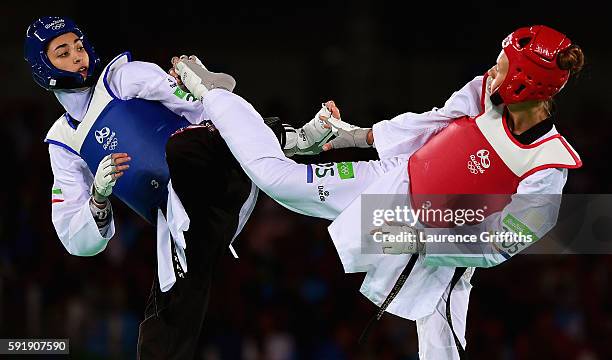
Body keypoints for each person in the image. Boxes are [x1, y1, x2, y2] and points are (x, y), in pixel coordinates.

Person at [172, 25, 584, 359]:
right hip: (394, 178)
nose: (491, 73)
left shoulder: (549, 163)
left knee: (439, 344)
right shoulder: (482, 93)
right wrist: (353, 135)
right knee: (278, 181)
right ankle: (216, 95)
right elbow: (428, 125)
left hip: (436, 241)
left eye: (501, 67)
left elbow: (504, 239)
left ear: (525, 82)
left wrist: (427, 239)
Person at [24, 16, 337, 359]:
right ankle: (286, 140)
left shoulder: (123, 77)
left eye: (79, 46)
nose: (77, 56)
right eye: (63, 52)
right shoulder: (64, 144)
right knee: (164, 324)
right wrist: (98, 197)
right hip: (187, 223)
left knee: (192, 139)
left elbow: (200, 107)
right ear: (43, 67)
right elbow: (76, 239)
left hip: (219, 176)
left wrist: (203, 89)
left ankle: (290, 138)